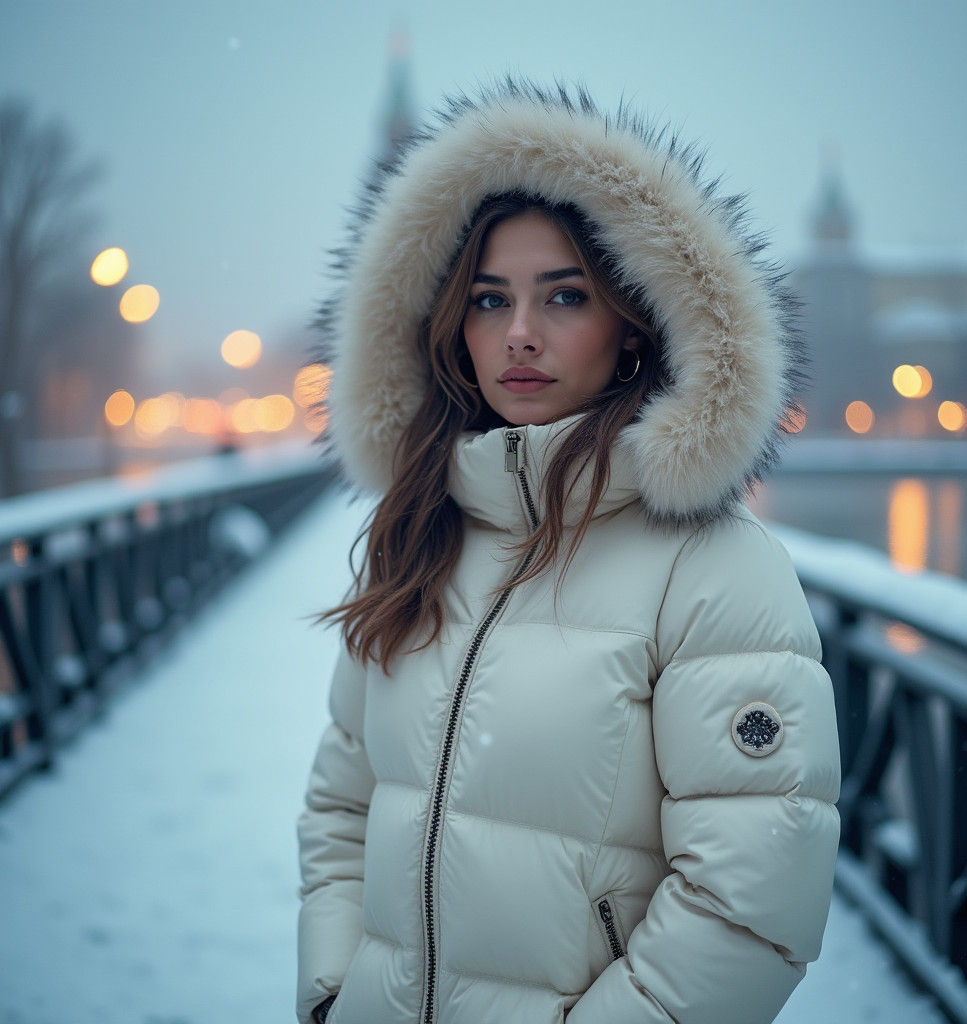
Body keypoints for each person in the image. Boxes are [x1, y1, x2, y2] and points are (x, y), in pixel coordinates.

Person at [296, 80, 841, 1024]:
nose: (519, 334)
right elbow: (344, 810)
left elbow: (750, 900)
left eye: (564, 296)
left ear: (632, 325)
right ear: (448, 329)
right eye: (487, 299)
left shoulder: (710, 564)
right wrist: (333, 992)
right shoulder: (418, 536)